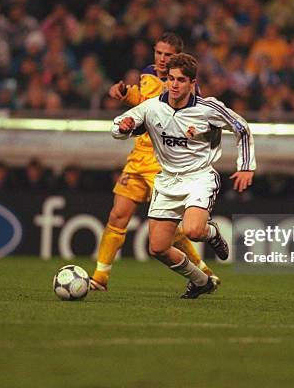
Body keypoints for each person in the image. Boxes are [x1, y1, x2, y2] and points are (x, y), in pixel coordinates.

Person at [112, 53, 255, 298]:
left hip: (199, 177)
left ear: (192, 83)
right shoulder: (152, 107)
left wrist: (246, 166)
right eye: (170, 79)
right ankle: (201, 281)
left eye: (180, 80)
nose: (174, 84)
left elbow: (240, 127)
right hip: (167, 180)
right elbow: (119, 125)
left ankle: (211, 232)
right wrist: (122, 128)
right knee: (157, 248)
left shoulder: (207, 108)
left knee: (193, 231)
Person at [91, 33, 217, 291]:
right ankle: (100, 277)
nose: (161, 59)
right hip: (139, 156)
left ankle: (203, 271)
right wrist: (126, 93)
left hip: (164, 161)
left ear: (178, 58)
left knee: (170, 229)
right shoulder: (147, 74)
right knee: (117, 214)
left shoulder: (183, 86)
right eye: (158, 53)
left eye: (168, 55)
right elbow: (143, 105)